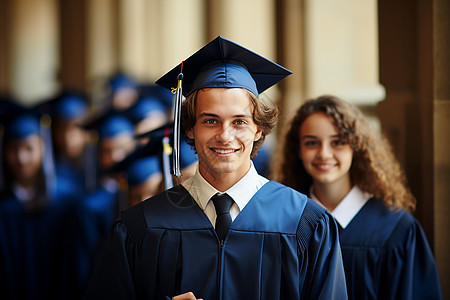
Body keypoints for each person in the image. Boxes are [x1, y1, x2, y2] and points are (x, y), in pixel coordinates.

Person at [84, 36, 347, 300]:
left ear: (258, 129)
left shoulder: (306, 224)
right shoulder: (139, 227)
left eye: (239, 122)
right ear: (189, 128)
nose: (225, 136)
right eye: (211, 121)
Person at [272, 95, 442, 299]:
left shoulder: (395, 229)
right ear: (298, 150)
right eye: (311, 143)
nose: (324, 154)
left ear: (356, 146)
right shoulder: (285, 223)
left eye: (338, 142)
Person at [0, 102, 80, 299]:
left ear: (43, 148)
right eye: (13, 150)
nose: (21, 158)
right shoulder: (3, 207)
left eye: (29, 148)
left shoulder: (64, 200)